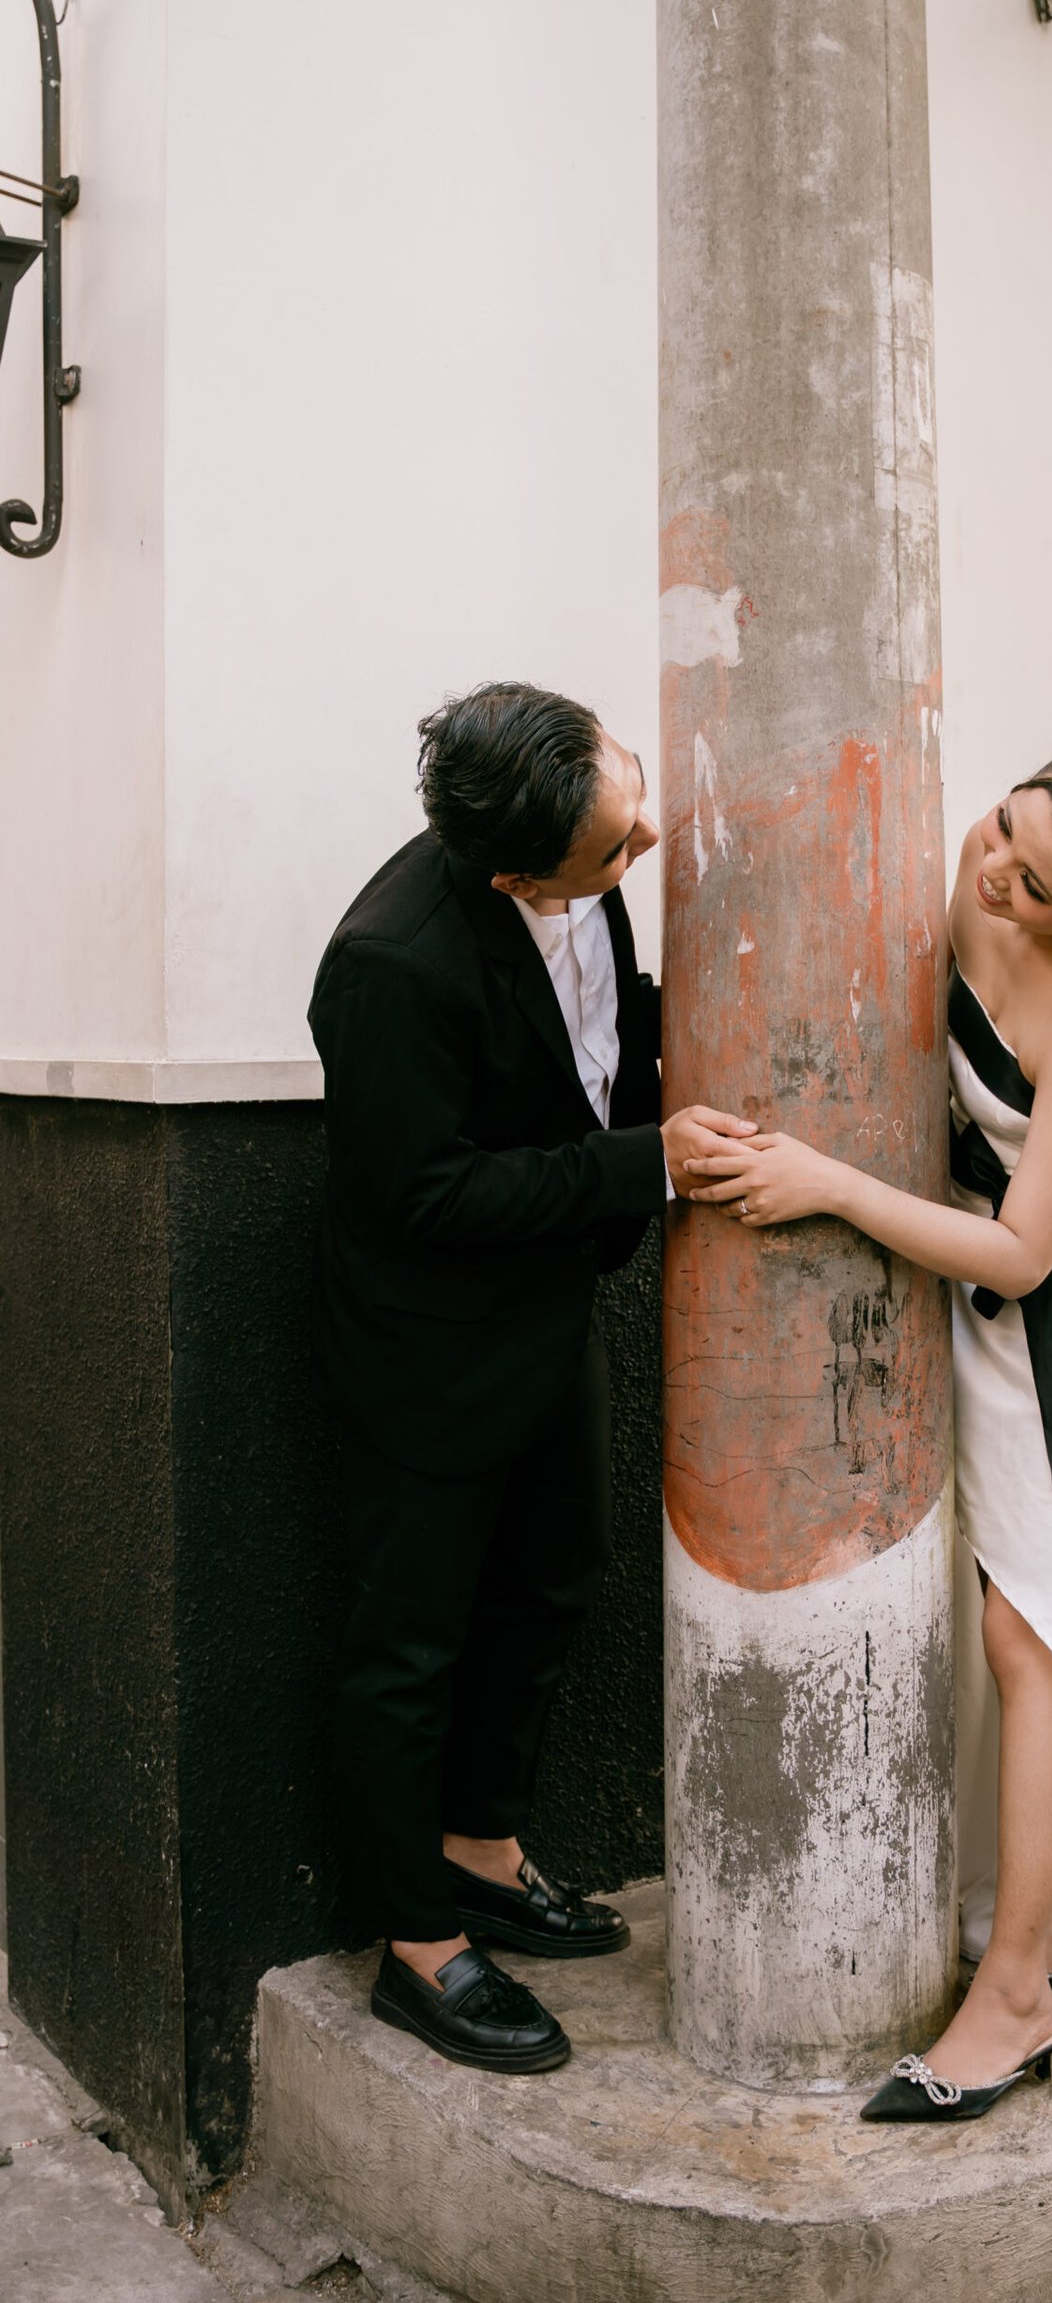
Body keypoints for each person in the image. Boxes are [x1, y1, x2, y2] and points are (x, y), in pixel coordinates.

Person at [684, 740, 1052, 2120]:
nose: (995, 871)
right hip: (989, 1311)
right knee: (1015, 1606)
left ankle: (1014, 1997)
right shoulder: (977, 869)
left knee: (1038, 1631)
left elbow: (1020, 1251)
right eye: (1005, 828)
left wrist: (827, 1183)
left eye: (1037, 882)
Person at [308, 681, 753, 2075]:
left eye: (631, 799)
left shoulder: (579, 844)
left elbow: (591, 1033)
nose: (646, 844)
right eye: (617, 851)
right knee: (408, 1651)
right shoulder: (389, 962)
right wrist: (647, 1164)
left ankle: (482, 1848)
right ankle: (417, 1943)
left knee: (555, 1578)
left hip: (550, 1312)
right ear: (514, 876)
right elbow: (424, 1195)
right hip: (429, 1352)